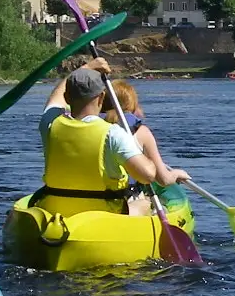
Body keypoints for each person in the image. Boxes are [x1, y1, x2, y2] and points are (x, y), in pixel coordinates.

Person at [33, 58, 186, 217]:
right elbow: (147, 175)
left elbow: (55, 98)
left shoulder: (49, 124)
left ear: (67, 97)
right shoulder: (112, 133)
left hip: (57, 212)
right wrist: (149, 159)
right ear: (100, 98)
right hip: (104, 216)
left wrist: (88, 67)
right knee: (145, 203)